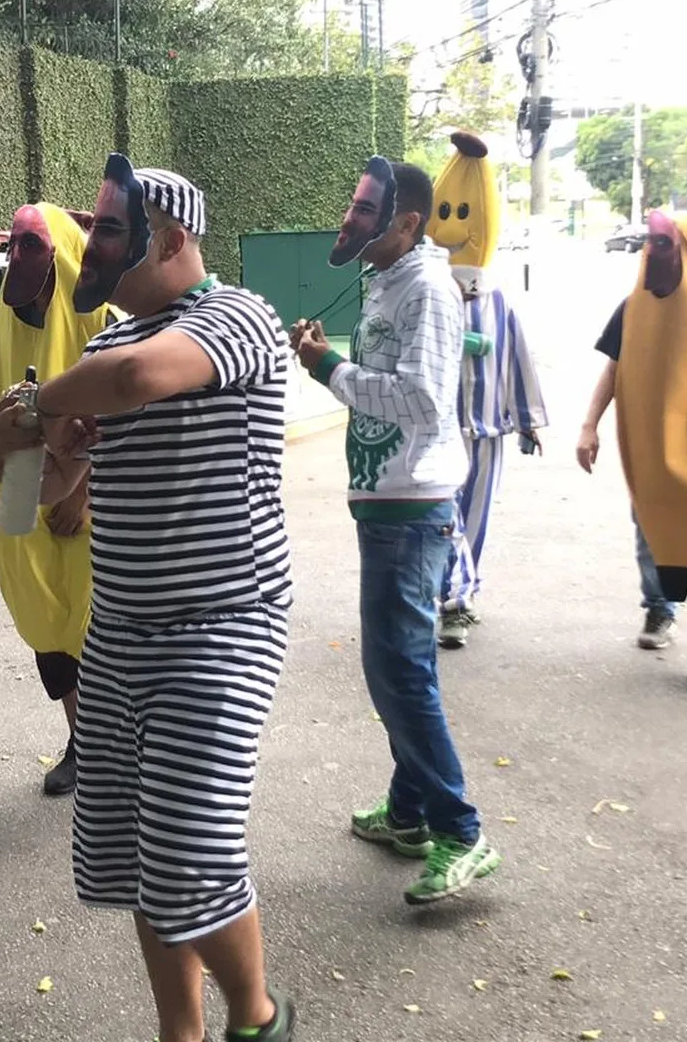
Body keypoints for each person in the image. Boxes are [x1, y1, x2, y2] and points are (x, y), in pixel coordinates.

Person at [0, 155, 295, 1042]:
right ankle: (178, 1034)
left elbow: (136, 384)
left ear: (173, 237)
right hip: (119, 631)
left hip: (224, 625)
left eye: (111, 230)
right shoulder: (106, 343)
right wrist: (3, 451)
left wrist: (20, 410)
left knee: (190, 858)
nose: (95, 245)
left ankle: (260, 1017)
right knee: (136, 861)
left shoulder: (240, 318)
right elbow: (48, 489)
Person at [291, 157, 500, 905]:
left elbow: (423, 402)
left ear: (407, 223)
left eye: (363, 210)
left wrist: (330, 371)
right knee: (399, 670)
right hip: (384, 503)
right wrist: (331, 361)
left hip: (413, 511)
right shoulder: (389, 284)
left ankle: (462, 831)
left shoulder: (430, 294)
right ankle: (410, 813)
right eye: (352, 206)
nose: (349, 220)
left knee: (400, 674)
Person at [0, 204, 110, 797]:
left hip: (84, 476)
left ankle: (109, 743)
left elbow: (124, 404)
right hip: (22, 473)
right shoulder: (8, 306)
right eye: (14, 251)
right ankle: (83, 742)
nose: (20, 265)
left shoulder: (99, 312)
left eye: (35, 252)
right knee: (43, 615)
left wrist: (88, 488)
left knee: (93, 615)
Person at [575, 209, 687, 675]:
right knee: (651, 528)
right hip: (647, 445)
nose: (652, 255)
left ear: (686, 253)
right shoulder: (632, 309)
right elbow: (612, 372)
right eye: (649, 246)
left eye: (663, 245)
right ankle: (660, 607)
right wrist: (589, 425)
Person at [427, 131, 548, 648]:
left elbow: (518, 359)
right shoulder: (428, 295)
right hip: (436, 428)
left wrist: (527, 420)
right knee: (444, 511)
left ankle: (460, 590)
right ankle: (454, 597)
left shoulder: (500, 304)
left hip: (487, 428)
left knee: (476, 515)